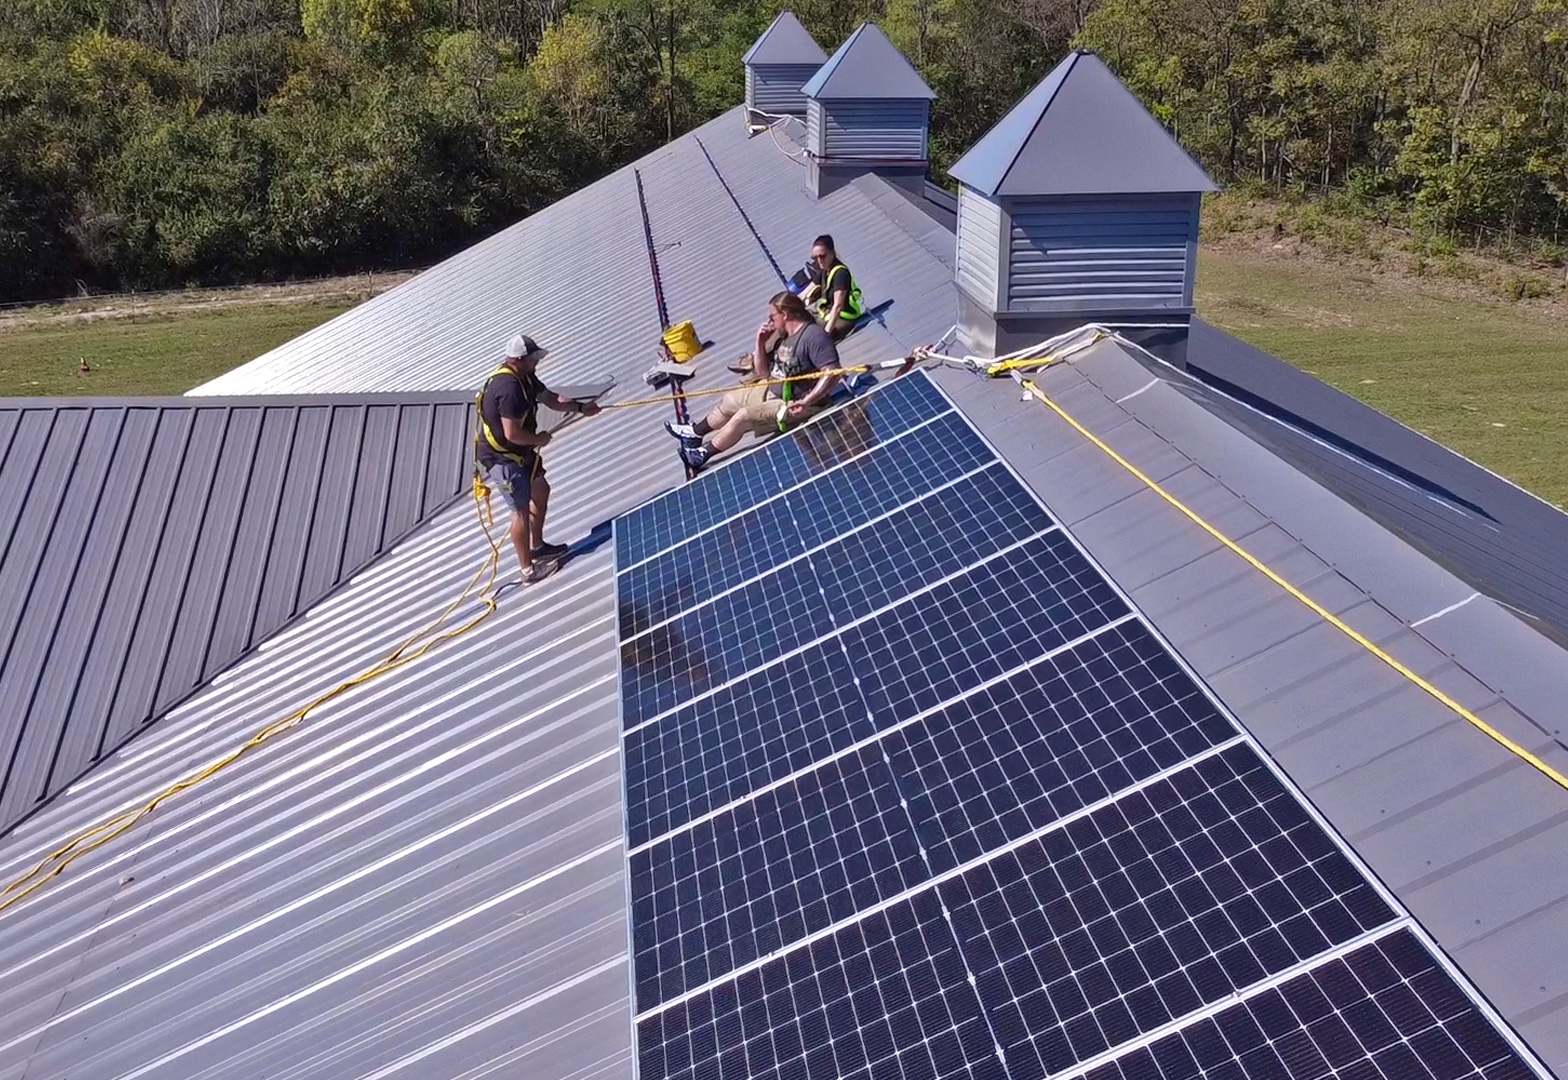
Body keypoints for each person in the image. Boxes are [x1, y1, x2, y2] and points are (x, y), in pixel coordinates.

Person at [476, 333, 602, 585]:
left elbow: (551, 399)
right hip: (503, 459)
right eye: (533, 359)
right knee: (519, 510)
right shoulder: (509, 388)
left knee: (541, 490)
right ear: (518, 360)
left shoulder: (524, 377)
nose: (537, 363)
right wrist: (539, 439)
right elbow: (511, 433)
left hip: (521, 451)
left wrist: (580, 407)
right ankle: (527, 571)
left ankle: (538, 546)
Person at [663, 291, 840, 470]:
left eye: (772, 317)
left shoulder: (814, 336)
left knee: (743, 417)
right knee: (730, 400)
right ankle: (694, 433)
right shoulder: (783, 335)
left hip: (797, 403)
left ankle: (702, 455)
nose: (770, 322)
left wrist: (808, 401)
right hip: (772, 387)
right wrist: (760, 343)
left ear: (785, 314)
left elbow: (832, 372)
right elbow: (763, 373)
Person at [801, 234, 863, 340]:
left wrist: (826, 333)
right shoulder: (824, 271)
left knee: (809, 336)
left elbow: (838, 306)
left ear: (832, 253)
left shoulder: (840, 273)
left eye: (822, 256)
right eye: (815, 258)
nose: (819, 261)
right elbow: (803, 294)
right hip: (825, 315)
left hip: (842, 318)